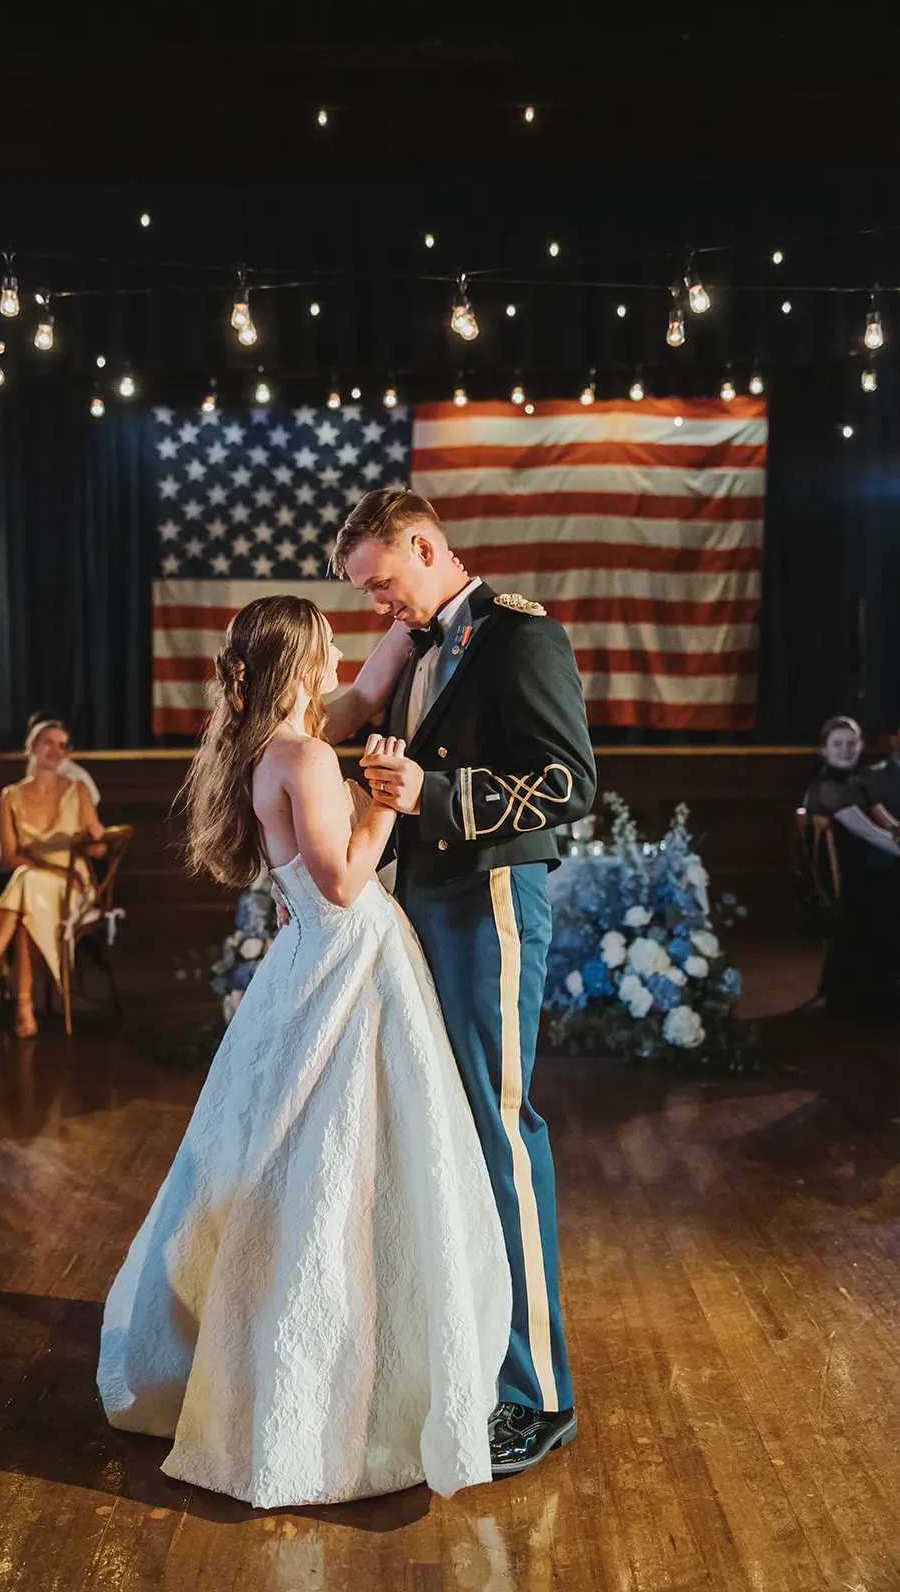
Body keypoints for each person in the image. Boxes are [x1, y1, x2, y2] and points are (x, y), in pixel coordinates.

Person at [98, 595, 511, 1508]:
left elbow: (364, 689)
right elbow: (341, 879)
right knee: (342, 1155)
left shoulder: (274, 743)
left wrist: (409, 634)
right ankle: (322, 1377)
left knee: (297, 1145)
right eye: (326, 646)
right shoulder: (307, 754)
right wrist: (391, 798)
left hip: (307, 959)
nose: (339, 658)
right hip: (347, 953)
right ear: (295, 663)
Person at [327, 486, 597, 1478]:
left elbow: (571, 779)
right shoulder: (408, 645)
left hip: (487, 899)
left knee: (499, 1130)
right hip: (418, 901)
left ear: (426, 545)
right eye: (363, 590)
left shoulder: (521, 635)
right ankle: (468, 1360)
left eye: (381, 582)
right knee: (442, 1135)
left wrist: (432, 795)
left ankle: (537, 1395)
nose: (374, 604)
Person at [0, 720, 106, 1038]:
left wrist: (93, 841)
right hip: (32, 882)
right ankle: (21, 1007)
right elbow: (8, 855)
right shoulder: (11, 796)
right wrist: (46, 871)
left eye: (63, 745)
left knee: (24, 887)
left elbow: (99, 846)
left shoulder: (78, 789)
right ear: (30, 747)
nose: (57, 751)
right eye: (49, 742)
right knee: (27, 896)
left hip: (73, 884)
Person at [803, 715, 900, 1015]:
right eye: (838, 744)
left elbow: (887, 822)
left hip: (866, 871)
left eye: (851, 743)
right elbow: (871, 833)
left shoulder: (856, 781)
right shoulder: (830, 786)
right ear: (824, 749)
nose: (845, 750)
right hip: (849, 880)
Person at [25, 711, 101, 806]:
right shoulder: (15, 793)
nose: (54, 750)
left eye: (60, 745)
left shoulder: (76, 779)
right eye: (48, 743)